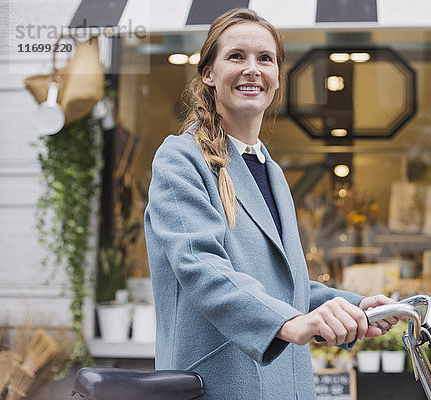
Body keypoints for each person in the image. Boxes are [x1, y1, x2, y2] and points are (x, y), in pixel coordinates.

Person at [144, 8, 399, 399]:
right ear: (208, 74)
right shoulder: (180, 159)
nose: (252, 69)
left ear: (278, 78)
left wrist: (356, 306)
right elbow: (201, 267)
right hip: (221, 385)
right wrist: (292, 322)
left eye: (265, 59)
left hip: (288, 385)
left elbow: (285, 287)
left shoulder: (272, 172)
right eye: (236, 56)